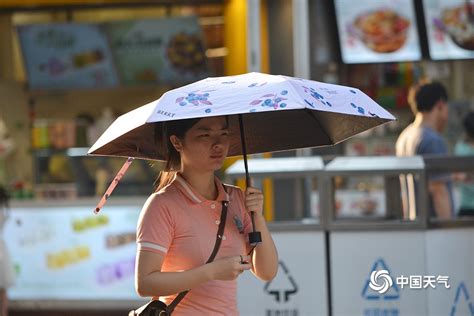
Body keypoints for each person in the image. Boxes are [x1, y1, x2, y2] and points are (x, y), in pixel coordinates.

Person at [134, 116, 278, 315]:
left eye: (224, 134)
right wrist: (211, 272)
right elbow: (145, 283)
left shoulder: (236, 197)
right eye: (205, 135)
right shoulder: (162, 204)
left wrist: (259, 218)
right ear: (177, 142)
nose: (218, 144)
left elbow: (267, 272)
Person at [396, 81, 454, 219]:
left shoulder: (405, 136)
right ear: (440, 104)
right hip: (432, 227)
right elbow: (438, 190)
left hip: (413, 223)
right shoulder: (432, 140)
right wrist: (449, 229)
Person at [454, 111, 474, 216]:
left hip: (465, 207)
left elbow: (456, 174)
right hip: (466, 206)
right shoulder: (461, 148)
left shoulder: (460, 148)